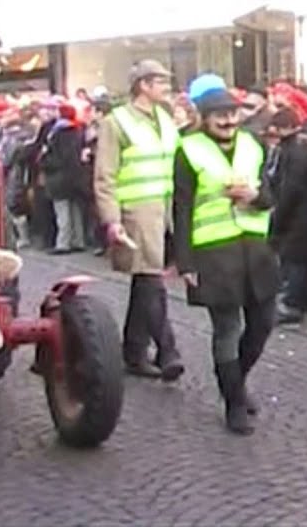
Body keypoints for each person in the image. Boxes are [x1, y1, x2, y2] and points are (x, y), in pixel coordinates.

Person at [172, 75, 278, 435]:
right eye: (220, 115)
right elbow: (181, 209)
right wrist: (185, 262)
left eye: (232, 114)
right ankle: (233, 403)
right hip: (214, 252)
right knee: (228, 329)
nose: (228, 121)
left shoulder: (253, 144)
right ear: (204, 117)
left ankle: (237, 380)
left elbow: (270, 195)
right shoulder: (188, 149)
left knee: (263, 323)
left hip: (256, 249)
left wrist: (254, 197)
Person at [93, 60, 183, 381]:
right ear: (143, 85)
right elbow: (105, 176)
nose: (167, 87)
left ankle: (132, 351)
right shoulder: (115, 123)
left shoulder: (165, 117)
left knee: (144, 282)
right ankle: (168, 350)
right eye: (161, 81)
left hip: (166, 208)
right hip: (136, 211)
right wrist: (112, 220)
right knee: (150, 279)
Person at [267, 107, 307, 325]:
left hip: (303, 213)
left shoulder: (296, 151)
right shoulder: (299, 148)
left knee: (296, 259)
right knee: (302, 259)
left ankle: (294, 304)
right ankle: (306, 300)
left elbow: (291, 188)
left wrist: (279, 216)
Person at [41, 102, 87, 255]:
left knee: (62, 211)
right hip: (76, 176)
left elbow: (54, 157)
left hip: (58, 177)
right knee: (75, 210)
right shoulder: (79, 131)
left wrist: (44, 161)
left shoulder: (56, 133)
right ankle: (78, 240)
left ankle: (63, 243)